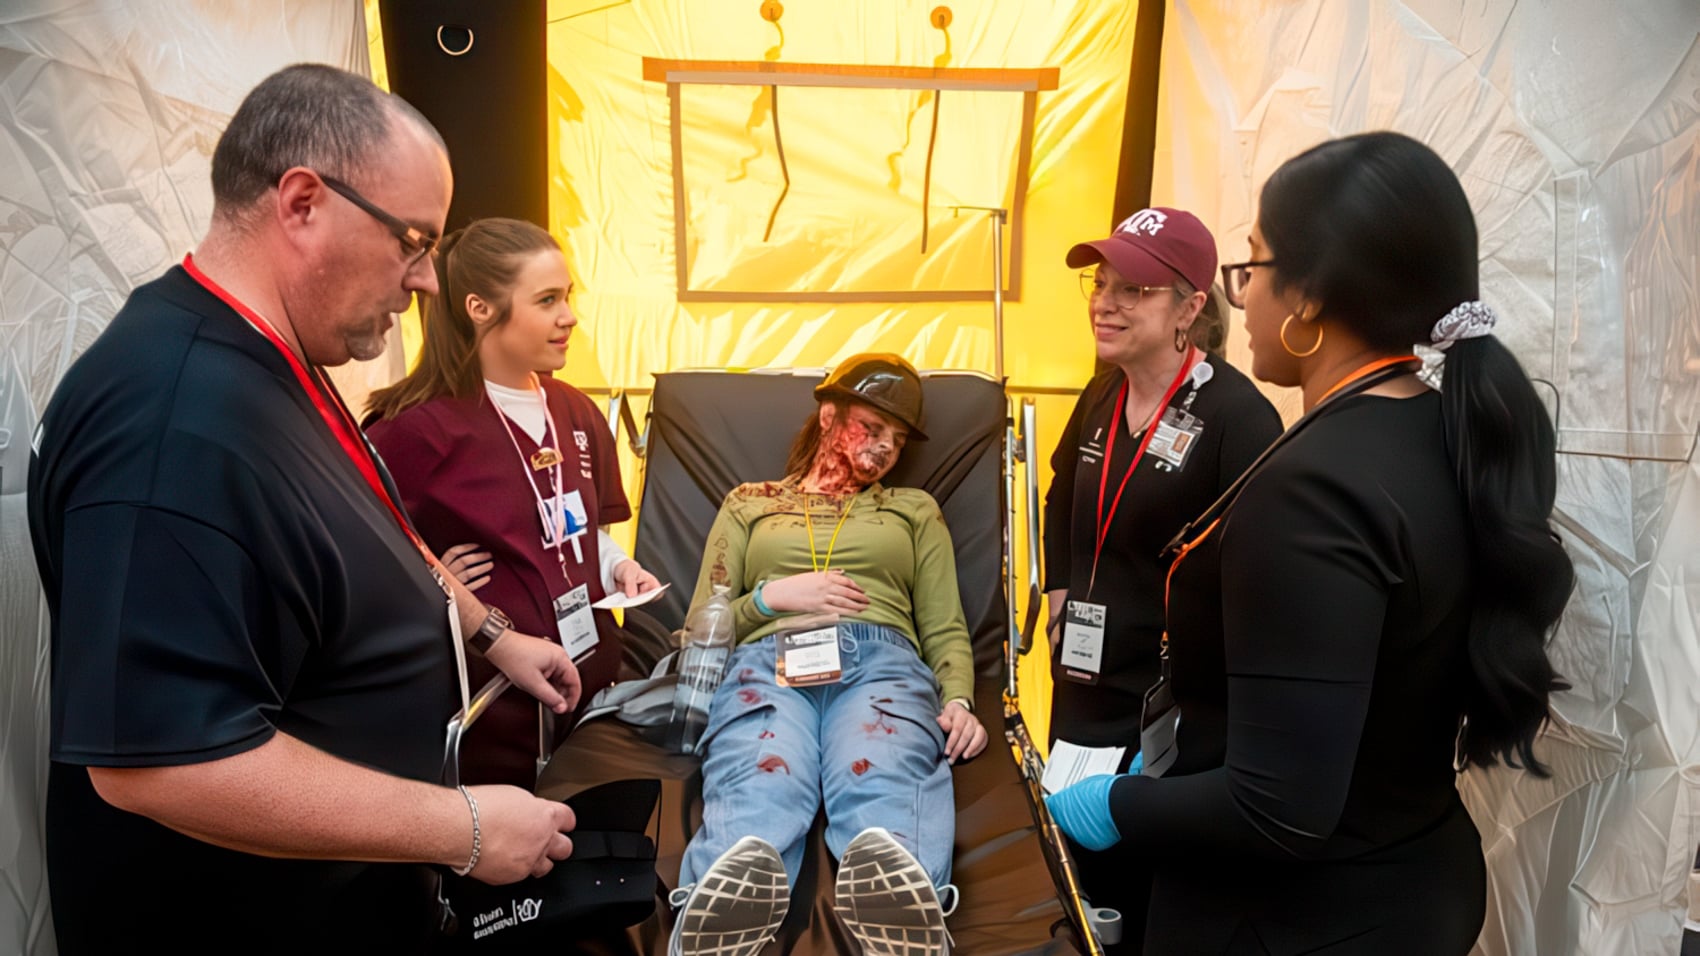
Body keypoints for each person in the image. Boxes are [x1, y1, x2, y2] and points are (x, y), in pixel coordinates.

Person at [27, 64, 586, 953]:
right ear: (301, 203)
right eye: (413, 240)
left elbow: (370, 537)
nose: (428, 282)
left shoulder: (273, 362)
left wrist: (490, 636)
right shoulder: (174, 421)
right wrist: (463, 830)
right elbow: (158, 764)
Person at [1045, 132, 1574, 954]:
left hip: (1296, 917)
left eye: (1252, 266)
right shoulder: (1437, 431)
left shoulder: (1312, 489)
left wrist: (1114, 805)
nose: (1242, 297)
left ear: (1313, 298)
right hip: (1408, 876)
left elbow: (1275, 805)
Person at [666, 354, 988, 956]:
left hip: (882, 662)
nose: (886, 447)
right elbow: (700, 629)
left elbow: (943, 625)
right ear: (828, 415)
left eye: (897, 439)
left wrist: (960, 699)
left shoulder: (913, 510)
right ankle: (720, 901)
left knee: (883, 764)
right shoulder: (750, 503)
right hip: (766, 662)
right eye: (873, 426)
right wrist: (770, 598)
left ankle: (905, 899)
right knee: (762, 773)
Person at [1042, 207, 1280, 948]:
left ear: (1190, 306)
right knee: (1076, 885)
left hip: (1166, 715)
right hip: (1080, 690)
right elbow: (1057, 496)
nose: (1104, 302)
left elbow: (1259, 582)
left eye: (1134, 289)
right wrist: (1057, 589)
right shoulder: (1102, 395)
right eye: (1101, 281)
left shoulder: (1239, 419)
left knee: (1146, 901)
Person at [366, 217, 659, 790]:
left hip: (594, 702)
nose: (569, 317)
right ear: (479, 308)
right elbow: (367, 571)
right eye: (548, 300)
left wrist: (615, 565)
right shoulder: (410, 432)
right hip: (495, 728)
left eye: (568, 297)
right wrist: (432, 588)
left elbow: (579, 530)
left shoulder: (576, 411)